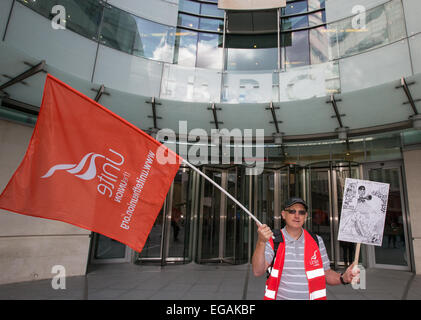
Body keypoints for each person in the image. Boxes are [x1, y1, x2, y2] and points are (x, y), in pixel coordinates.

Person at [252, 197, 360, 300]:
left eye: (301, 212)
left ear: (306, 216)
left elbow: (326, 273)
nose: (297, 215)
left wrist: (343, 278)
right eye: (292, 211)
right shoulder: (273, 240)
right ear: (283, 215)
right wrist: (261, 242)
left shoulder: (317, 241)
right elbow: (257, 271)